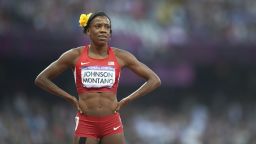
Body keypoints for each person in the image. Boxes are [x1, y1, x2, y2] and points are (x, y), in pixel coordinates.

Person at [34, 11, 161, 144]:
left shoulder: (121, 56)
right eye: (98, 26)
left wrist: (127, 100)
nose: (103, 30)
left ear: (110, 34)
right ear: (88, 31)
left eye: (107, 27)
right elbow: (41, 79)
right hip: (86, 124)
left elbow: (154, 80)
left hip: (111, 124)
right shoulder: (74, 55)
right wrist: (70, 98)